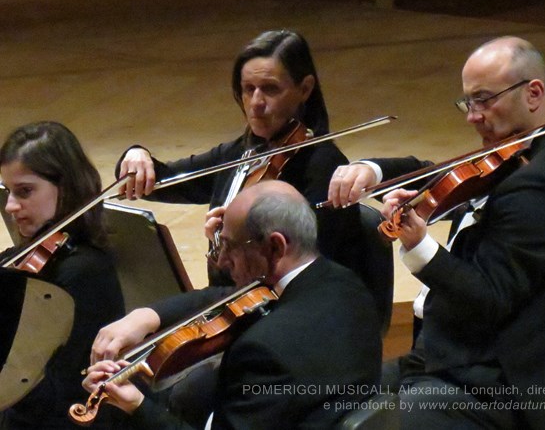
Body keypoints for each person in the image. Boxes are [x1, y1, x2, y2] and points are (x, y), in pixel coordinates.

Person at [334, 36, 545, 428]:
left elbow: (490, 297)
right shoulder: (523, 149)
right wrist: (374, 171)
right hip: (448, 352)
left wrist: (420, 247)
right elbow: (444, 173)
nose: (472, 115)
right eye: (469, 102)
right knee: (328, 397)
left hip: (502, 382)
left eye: (484, 100)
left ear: (533, 93)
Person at [84, 180, 383, 429]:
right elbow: (232, 296)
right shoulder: (349, 285)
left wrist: (137, 406)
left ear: (276, 246)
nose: (223, 261)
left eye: (230, 246)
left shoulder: (263, 352)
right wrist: (148, 316)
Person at [115, 29, 364, 292]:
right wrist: (134, 155)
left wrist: (231, 248)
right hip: (232, 301)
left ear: (304, 89)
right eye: (248, 89)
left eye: (270, 89)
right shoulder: (240, 154)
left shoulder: (324, 167)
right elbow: (159, 181)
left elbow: (309, 270)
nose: (256, 102)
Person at [0, 121, 126, 429]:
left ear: (66, 187)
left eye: (25, 192)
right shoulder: (21, 261)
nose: (11, 206)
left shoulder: (82, 273)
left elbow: (56, 395)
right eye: (8, 192)